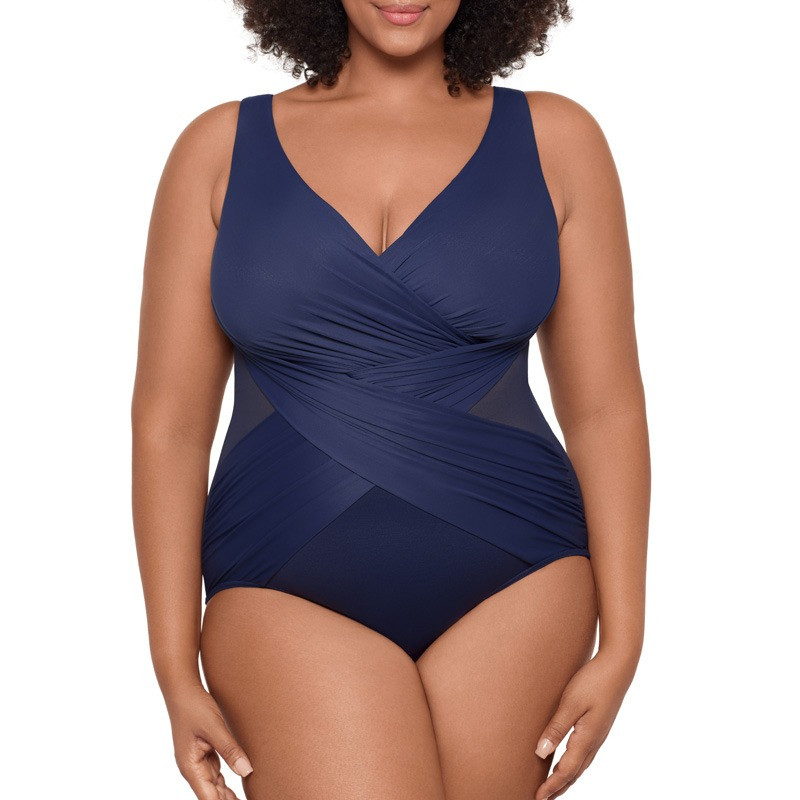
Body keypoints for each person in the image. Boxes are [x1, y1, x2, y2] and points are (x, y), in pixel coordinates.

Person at [131, 2, 650, 798]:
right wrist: (173, 665)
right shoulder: (218, 149)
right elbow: (169, 426)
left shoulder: (558, 139)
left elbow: (604, 409)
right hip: (279, 583)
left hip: (521, 577)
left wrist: (625, 641)